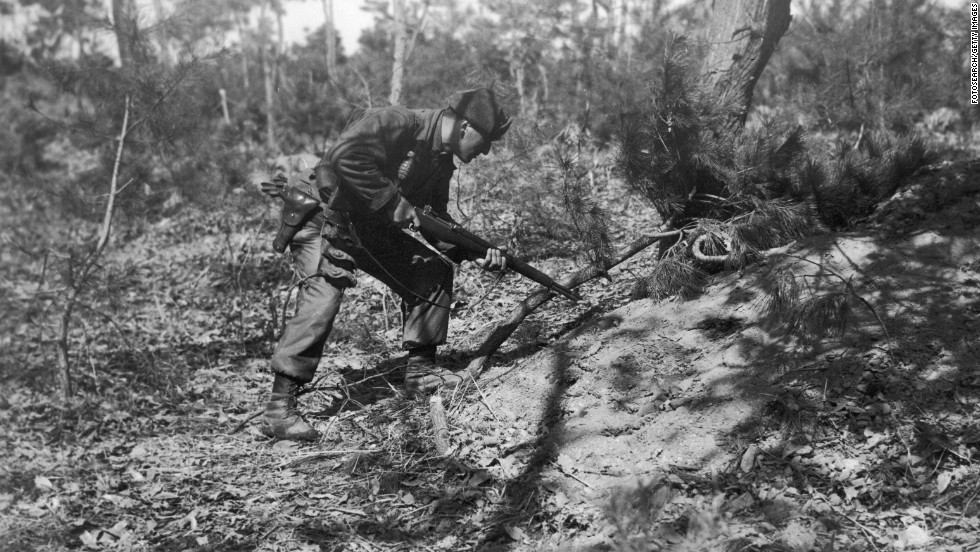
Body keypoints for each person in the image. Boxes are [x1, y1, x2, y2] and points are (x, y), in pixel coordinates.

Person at [260, 88, 512, 441]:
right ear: (466, 127)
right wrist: (393, 200)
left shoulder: (439, 161)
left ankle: (422, 372)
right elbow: (344, 158)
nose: (484, 152)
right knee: (324, 294)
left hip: (366, 223)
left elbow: (435, 220)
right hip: (323, 212)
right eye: (485, 142)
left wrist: (476, 251)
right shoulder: (400, 122)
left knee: (431, 268)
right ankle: (279, 409)